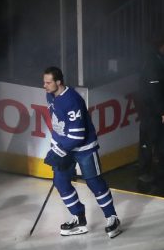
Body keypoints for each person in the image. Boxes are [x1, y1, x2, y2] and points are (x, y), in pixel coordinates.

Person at [42, 66, 122, 238]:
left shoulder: (72, 100)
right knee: (60, 181)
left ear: (58, 82)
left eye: (48, 82)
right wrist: (55, 147)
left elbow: (78, 135)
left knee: (94, 182)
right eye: (44, 82)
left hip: (84, 147)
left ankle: (112, 217)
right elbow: (56, 125)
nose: (45, 86)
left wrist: (59, 150)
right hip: (65, 147)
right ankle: (79, 217)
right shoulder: (50, 95)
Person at [137, 34, 164, 183]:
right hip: (150, 111)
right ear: (162, 46)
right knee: (148, 140)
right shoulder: (152, 63)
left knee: (162, 139)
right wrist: (163, 111)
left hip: (159, 108)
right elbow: (154, 90)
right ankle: (144, 171)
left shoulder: (163, 61)